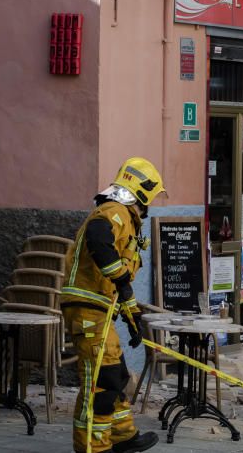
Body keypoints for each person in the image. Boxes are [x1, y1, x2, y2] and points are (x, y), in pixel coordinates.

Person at [61, 157, 165, 453]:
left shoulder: (125, 220)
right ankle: (93, 447)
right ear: (141, 192)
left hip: (99, 309)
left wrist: (134, 319)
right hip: (88, 307)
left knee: (115, 374)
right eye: (151, 197)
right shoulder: (114, 211)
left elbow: (122, 284)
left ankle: (122, 436)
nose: (150, 206)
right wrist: (119, 277)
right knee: (101, 381)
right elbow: (98, 239)